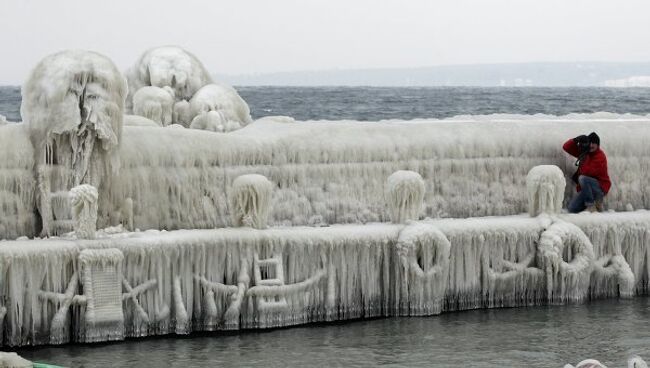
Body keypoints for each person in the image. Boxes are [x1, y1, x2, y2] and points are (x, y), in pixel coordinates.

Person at [563, 132, 611, 213]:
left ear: (598, 145)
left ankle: (591, 206)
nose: (591, 145)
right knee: (571, 209)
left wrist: (583, 155)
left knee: (582, 178)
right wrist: (575, 140)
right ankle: (591, 207)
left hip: (599, 189)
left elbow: (587, 172)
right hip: (587, 191)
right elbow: (566, 147)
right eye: (590, 143)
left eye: (594, 143)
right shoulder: (586, 152)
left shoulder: (600, 156)